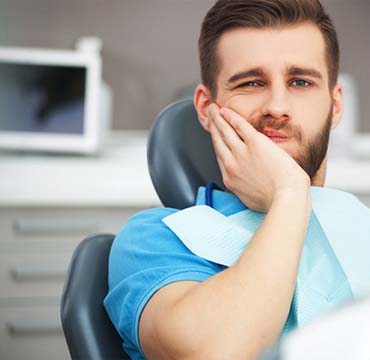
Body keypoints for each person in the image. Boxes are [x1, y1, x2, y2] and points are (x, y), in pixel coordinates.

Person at [104, 0, 344, 359]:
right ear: (206, 108)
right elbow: (216, 351)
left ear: (334, 106)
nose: (277, 106)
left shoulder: (365, 230)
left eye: (300, 81)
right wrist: (290, 193)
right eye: (251, 82)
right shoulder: (155, 240)